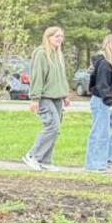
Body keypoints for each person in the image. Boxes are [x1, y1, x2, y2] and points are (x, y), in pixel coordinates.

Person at [22, 26, 69, 171]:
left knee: (57, 129)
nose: (60, 39)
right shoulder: (41, 53)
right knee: (52, 127)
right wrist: (35, 99)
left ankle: (45, 160)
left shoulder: (58, 54)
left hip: (57, 97)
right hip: (45, 97)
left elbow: (61, 76)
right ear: (48, 37)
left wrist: (65, 95)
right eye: (56, 36)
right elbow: (37, 77)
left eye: (61, 36)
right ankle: (32, 155)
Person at [85, 32, 112, 172]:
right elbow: (101, 85)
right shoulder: (104, 63)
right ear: (110, 45)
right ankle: (94, 165)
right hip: (102, 101)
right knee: (100, 132)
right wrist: (110, 102)